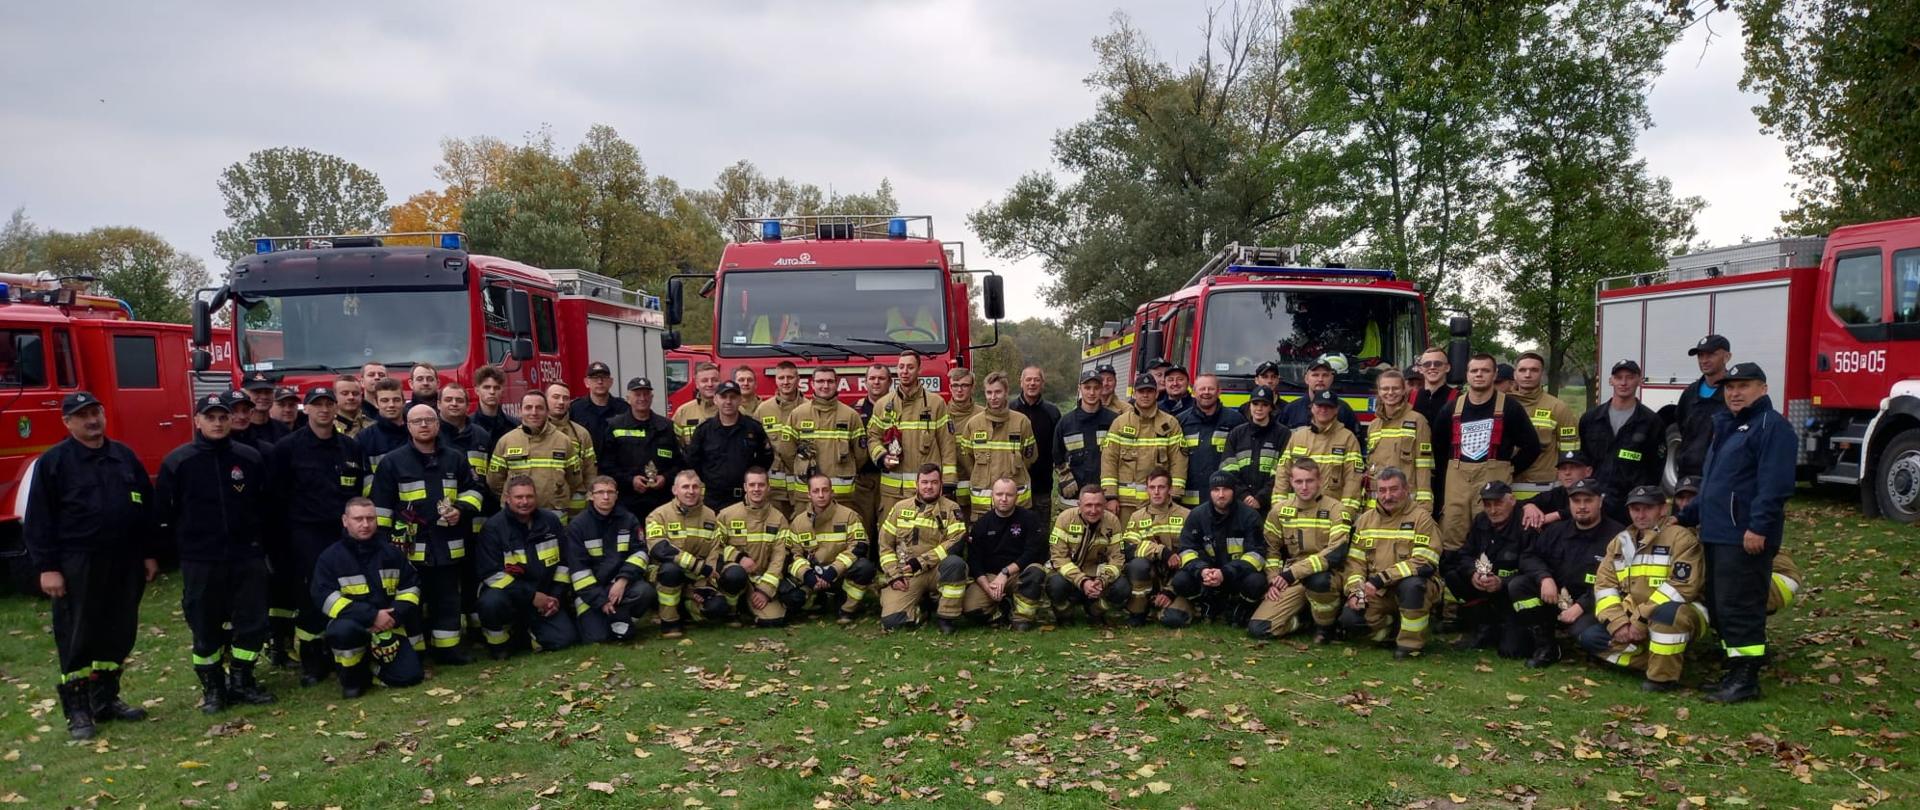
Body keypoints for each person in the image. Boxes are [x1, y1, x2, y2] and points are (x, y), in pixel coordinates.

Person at [24, 391, 159, 739]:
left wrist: (148, 553)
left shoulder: (123, 457)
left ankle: (106, 700)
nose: (92, 420)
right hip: (77, 561)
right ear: (67, 422)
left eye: (95, 412)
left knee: (119, 631)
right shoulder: (54, 463)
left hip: (125, 559)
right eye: (82, 415)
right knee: (78, 634)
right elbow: (39, 520)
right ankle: (79, 711)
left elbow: (145, 507)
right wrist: (47, 567)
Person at [1675, 362, 1795, 703]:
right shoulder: (1728, 425)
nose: (1735, 392)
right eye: (1729, 387)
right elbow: (1714, 485)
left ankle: (1745, 680)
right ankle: (1735, 667)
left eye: (1744, 386)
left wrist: (1758, 527)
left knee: (1740, 604)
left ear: (1763, 388)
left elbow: (1775, 486)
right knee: (1721, 603)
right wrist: (1686, 516)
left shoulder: (1771, 427)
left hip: (1744, 536)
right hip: (1717, 533)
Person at [157, 392, 275, 713]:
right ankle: (213, 688)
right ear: (197, 421)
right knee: (205, 624)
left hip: (246, 555)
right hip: (201, 559)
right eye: (211, 417)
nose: (219, 422)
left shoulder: (249, 458)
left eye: (223, 417)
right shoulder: (178, 462)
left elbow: (265, 505)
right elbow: (164, 513)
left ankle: (242, 680)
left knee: (252, 622)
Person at [266, 386, 371, 687]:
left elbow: (359, 492)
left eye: (329, 404)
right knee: (312, 595)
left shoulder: (350, 448)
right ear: (306, 409)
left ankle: (346, 652)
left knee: (347, 590)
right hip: (305, 534)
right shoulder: (287, 448)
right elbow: (276, 497)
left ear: (336, 408)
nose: (324, 410)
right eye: (317, 405)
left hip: (343, 535)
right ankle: (313, 661)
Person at [370, 403, 485, 666]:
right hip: (409, 548)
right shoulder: (392, 462)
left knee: (447, 599)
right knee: (412, 602)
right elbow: (382, 509)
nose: (423, 425)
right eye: (417, 421)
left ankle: (449, 650)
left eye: (428, 420)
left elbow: (474, 491)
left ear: (437, 424)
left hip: (447, 544)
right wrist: (386, 548)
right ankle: (416, 652)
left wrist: (461, 509)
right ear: (408, 427)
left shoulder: (455, 458)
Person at [1580, 485, 1706, 692]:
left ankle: (1661, 679)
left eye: (1647, 508)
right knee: (1591, 638)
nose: (1640, 514)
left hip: (1681, 612)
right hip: (1631, 618)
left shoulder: (1681, 538)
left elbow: (1682, 587)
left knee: (1667, 615)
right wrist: (1618, 623)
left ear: (1662, 509)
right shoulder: (1620, 542)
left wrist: (1640, 619)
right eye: (1635, 509)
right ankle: (1660, 661)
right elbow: (1604, 587)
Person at [313, 498, 425, 698]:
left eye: (370, 518)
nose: (365, 524)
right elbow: (326, 598)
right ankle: (353, 677)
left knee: (410, 677)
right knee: (343, 631)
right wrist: (372, 616)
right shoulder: (330, 558)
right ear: (345, 521)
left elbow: (411, 587)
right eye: (358, 519)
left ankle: (372, 668)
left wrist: (393, 617)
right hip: (352, 627)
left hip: (389, 626)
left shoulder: (392, 553)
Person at [1431, 354, 1542, 552]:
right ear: (1467, 375)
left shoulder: (1510, 407)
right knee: (1452, 532)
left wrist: (1509, 469)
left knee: (1493, 531)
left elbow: (1532, 446)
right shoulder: (1451, 408)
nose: (1479, 374)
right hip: (1457, 483)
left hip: (1493, 482)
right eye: (1474, 370)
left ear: (1494, 374)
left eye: (1485, 370)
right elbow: (1438, 448)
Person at [1512, 478, 1624, 669]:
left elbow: (1619, 583)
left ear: (1600, 502)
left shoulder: (1617, 537)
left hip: (1593, 605)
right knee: (1519, 585)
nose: (1581, 506)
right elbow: (1528, 556)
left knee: (1583, 632)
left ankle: (1594, 651)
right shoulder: (1556, 531)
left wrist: (1581, 605)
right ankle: (1546, 645)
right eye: (1576, 501)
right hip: (1555, 598)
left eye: (1588, 501)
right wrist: (1544, 577)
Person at [1340, 468, 1443, 658]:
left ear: (1406, 489)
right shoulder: (1365, 520)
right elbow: (1355, 563)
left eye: (1393, 489)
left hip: (1414, 587)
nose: (1387, 496)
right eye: (1382, 490)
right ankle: (1391, 630)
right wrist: (1356, 591)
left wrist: (1380, 579)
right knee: (1350, 620)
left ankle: (1410, 645)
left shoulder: (1422, 519)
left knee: (1413, 585)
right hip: (1377, 592)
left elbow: (1424, 563)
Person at [475, 476, 579, 657]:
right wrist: (532, 596)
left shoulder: (551, 522)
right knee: (491, 602)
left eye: (529, 496)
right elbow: (491, 574)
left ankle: (523, 635)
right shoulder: (493, 528)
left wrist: (554, 597)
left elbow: (563, 564)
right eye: (519, 497)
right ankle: (499, 646)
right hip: (509, 596)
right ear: (507, 498)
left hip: (545, 596)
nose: (525, 502)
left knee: (564, 640)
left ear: (536, 497)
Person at [1253, 459, 1351, 642]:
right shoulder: (1280, 510)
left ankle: (1326, 627)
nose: (1304, 487)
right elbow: (1270, 548)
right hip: (1293, 578)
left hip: (1328, 574)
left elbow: (1335, 553)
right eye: (1299, 482)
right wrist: (1273, 577)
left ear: (1320, 480)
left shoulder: (1336, 509)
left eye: (1309, 481)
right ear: (1291, 482)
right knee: (1260, 628)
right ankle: (1304, 621)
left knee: (1319, 580)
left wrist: (1290, 574)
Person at [1163, 472, 1268, 628]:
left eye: (1225, 489)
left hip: (1236, 577)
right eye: (1216, 489)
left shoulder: (1249, 516)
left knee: (1256, 582)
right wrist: (1202, 571)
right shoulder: (1197, 515)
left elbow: (1256, 555)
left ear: (1233, 491)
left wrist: (1225, 573)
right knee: (1180, 581)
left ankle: (1240, 607)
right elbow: (1186, 550)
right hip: (1206, 578)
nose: (1221, 494)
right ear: (1210, 492)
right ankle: (1205, 604)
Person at [632, 471, 725, 638]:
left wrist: (706, 585)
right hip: (663, 576)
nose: (690, 491)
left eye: (695, 487)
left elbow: (715, 551)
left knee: (718, 608)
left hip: (696, 579)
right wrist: (697, 566)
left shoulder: (711, 516)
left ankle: (685, 609)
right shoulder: (658, 515)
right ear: (675, 490)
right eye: (685, 487)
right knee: (670, 570)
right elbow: (659, 548)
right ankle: (669, 621)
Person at [876, 464, 968, 633]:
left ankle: (946, 617)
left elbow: (956, 541)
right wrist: (894, 575)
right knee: (893, 622)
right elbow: (885, 545)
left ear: (941, 484)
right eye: (924, 482)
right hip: (907, 574)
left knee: (955, 564)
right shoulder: (899, 508)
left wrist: (921, 562)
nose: (929, 487)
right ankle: (922, 608)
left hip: (937, 571)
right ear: (916, 484)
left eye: (934, 482)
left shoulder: (951, 508)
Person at [564, 476, 655, 643]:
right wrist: (601, 601)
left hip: (620, 586)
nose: (606, 497)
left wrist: (622, 580)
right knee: (597, 637)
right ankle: (613, 620)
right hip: (590, 592)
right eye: (600, 492)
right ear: (591, 496)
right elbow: (578, 571)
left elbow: (640, 553)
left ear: (617, 495)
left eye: (610, 492)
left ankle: (622, 619)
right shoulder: (578, 526)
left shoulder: (629, 520)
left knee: (645, 592)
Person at [1446, 481, 1531, 657]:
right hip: (1484, 587)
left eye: (1498, 503)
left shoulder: (1526, 524)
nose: (1492, 510)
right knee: (1452, 570)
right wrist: (1473, 574)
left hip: (1512, 593)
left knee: (1511, 651)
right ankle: (1483, 627)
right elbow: (1465, 554)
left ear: (1512, 500)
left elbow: (1533, 569)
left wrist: (1503, 582)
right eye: (1487, 505)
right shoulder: (1481, 521)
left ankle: (1517, 629)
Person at [868, 351, 958, 507]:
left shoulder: (936, 403)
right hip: (892, 493)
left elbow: (947, 444)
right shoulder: (883, 404)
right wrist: (882, 457)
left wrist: (949, 481)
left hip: (926, 492)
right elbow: (873, 437)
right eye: (901, 367)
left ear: (919, 370)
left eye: (910, 367)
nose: (904, 371)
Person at [1579, 360, 1664, 523]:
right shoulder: (1590, 418)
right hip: (1594, 501)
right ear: (1611, 381)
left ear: (1639, 380)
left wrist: (1642, 500)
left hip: (1630, 505)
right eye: (1618, 378)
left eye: (1630, 377)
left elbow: (1656, 468)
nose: (1624, 383)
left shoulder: (1651, 422)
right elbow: (1583, 459)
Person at [787, 471, 877, 623]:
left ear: (832, 492)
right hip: (813, 576)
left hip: (840, 574)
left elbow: (860, 546)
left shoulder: (849, 516)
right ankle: (816, 601)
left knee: (865, 568)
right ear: (808, 494)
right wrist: (807, 575)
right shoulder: (798, 522)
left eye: (825, 490)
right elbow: (791, 555)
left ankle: (846, 608)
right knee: (791, 599)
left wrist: (834, 570)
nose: (821, 495)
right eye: (816, 491)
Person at [712, 469, 799, 627]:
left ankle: (749, 606)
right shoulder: (726, 515)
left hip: (761, 579)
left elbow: (780, 558)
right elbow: (715, 547)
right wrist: (738, 557)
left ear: (768, 488)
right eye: (752, 485)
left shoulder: (778, 519)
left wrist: (765, 590)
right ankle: (732, 610)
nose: (756, 489)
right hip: (734, 574)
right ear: (745, 487)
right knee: (735, 574)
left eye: (761, 485)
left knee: (774, 621)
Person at [961, 477, 1049, 630]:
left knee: (1036, 572)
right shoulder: (982, 524)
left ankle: (1022, 617)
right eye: (999, 494)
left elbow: (1033, 553)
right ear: (992, 496)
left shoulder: (1030, 519)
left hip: (1019, 574)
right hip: (991, 578)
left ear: (1017, 497)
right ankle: (1003, 608)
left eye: (1009, 495)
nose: (1004, 499)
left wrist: (1006, 572)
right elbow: (974, 561)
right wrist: (987, 587)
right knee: (970, 609)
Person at [1102, 373, 1188, 523]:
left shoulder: (1170, 424)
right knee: (1127, 544)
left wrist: (1174, 495)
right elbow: (1109, 460)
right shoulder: (1120, 423)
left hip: (1159, 503)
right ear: (1134, 394)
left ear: (1156, 393)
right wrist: (1110, 496)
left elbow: (1178, 461)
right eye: (1141, 391)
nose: (1145, 395)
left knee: (1156, 544)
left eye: (1149, 391)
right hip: (1125, 504)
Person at [600, 376, 686, 522]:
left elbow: (679, 463)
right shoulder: (615, 426)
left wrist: (665, 478)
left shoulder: (666, 426)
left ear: (651, 397)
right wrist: (630, 480)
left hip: (660, 501)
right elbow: (606, 465)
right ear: (628, 398)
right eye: (637, 394)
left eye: (646, 394)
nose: (642, 398)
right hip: (626, 502)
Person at [778, 367, 864, 511]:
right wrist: (802, 467)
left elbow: (861, 455)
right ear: (812, 384)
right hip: (806, 495)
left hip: (842, 496)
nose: (825, 386)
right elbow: (787, 452)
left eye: (830, 381)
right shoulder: (798, 414)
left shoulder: (851, 415)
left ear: (836, 383)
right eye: (820, 381)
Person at [488, 392, 587, 514]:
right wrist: (515, 498)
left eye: (539, 408)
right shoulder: (506, 441)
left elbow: (574, 480)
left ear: (547, 412)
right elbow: (494, 482)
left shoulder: (563, 441)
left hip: (554, 515)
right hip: (516, 516)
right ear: (520, 411)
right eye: (528, 407)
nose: (534, 412)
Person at [1046, 484, 1128, 626]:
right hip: (1070, 575)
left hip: (1097, 575)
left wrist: (1103, 580)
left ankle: (1095, 611)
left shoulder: (1113, 521)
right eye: (1088, 505)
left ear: (1104, 505)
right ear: (1079, 505)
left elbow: (1117, 558)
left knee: (1122, 587)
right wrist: (1082, 581)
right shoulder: (1065, 518)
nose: (1093, 510)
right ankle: (1064, 614)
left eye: (1098, 505)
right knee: (1055, 585)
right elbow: (1058, 557)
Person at [1274, 389, 1366, 515]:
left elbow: (1353, 480)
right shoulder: (1298, 437)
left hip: (1331, 514)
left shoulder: (1347, 438)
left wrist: (1345, 514)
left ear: (1336, 410)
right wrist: (1278, 508)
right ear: (1312, 407)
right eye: (1320, 405)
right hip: (1297, 512)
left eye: (1329, 406)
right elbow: (1283, 473)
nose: (1323, 410)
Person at [958, 371, 1038, 513]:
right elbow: (966, 458)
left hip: (1016, 503)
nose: (993, 397)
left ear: (1006, 392)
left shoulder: (1021, 422)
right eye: (989, 393)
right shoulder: (974, 424)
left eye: (998, 392)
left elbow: (1030, 456)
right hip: (983, 504)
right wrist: (980, 474)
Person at [688, 381, 775, 511]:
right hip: (713, 500)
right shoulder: (704, 431)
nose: (728, 402)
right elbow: (693, 461)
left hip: (745, 498)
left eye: (733, 397)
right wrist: (711, 479)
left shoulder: (753, 428)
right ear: (715, 399)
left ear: (740, 400)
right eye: (723, 397)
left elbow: (766, 458)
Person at [1119, 470, 1187, 626]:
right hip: (1151, 576)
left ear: (1170, 489)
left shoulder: (1186, 516)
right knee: (1138, 565)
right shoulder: (1137, 517)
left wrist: (1170, 590)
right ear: (1147, 489)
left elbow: (1190, 556)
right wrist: (1161, 551)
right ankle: (1138, 611)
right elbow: (1129, 548)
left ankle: (1169, 604)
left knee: (1173, 620)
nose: (1156, 492)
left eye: (1161, 487)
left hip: (1176, 579)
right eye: (1152, 487)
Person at [1509, 352, 1580, 497]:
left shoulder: (1557, 407)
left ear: (1542, 374)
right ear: (1515, 374)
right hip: (1506, 483)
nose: (1528, 375)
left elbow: (1570, 451)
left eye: (1534, 370)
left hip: (1543, 487)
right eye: (1522, 370)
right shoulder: (1502, 404)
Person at [1367, 370, 1434, 507]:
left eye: (1395, 388)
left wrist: (1424, 504)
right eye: (1385, 388)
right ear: (1379, 392)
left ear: (1404, 390)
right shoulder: (1373, 426)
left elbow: (1424, 465)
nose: (1390, 392)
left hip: (1406, 502)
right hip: (1377, 504)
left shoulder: (1418, 421)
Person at [1178, 373, 1244, 508]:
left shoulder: (1236, 421)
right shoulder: (1180, 422)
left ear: (1219, 391)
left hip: (1224, 499)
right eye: (1202, 389)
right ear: (1193, 392)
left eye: (1211, 389)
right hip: (1189, 501)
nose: (1206, 392)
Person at [1054, 370, 1117, 511]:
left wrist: (1112, 495)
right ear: (1079, 389)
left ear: (1102, 389)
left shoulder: (1114, 421)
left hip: (1104, 495)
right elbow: (1057, 455)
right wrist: (1065, 477)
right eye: (1087, 388)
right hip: (1074, 496)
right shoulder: (1066, 423)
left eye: (1096, 388)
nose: (1092, 392)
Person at [1221, 385, 1290, 512]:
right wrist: (1244, 496)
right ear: (1250, 406)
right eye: (1255, 404)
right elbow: (1228, 469)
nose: (1259, 408)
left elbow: (1283, 471)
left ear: (1271, 408)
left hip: (1270, 506)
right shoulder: (1236, 433)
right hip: (1239, 505)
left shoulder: (1284, 434)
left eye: (1264, 404)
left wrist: (1260, 499)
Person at [1674, 335, 1732, 480]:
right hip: (1687, 476)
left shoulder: (1733, 395)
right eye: (1700, 355)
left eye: (1711, 355)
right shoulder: (1690, 393)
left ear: (1727, 357)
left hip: (1719, 476)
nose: (1704, 360)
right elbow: (1682, 427)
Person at [753, 361, 807, 516]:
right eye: (781, 378)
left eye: (790, 377)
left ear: (798, 379)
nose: (786, 382)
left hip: (801, 487)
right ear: (775, 380)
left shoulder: (809, 408)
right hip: (774, 489)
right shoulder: (763, 409)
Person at [1010, 366, 1061, 509]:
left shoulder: (1052, 412)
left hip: (1042, 485)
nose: (1032, 383)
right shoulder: (1009, 410)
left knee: (1040, 530)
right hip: (1013, 485)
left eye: (1037, 380)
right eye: (1028, 379)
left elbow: (1058, 448)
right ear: (1021, 382)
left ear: (1042, 384)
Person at [1278, 356, 1363, 440]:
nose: (1320, 379)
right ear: (1306, 379)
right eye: (1315, 375)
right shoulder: (1291, 410)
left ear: (1332, 379)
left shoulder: (1343, 410)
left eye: (1325, 375)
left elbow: (1357, 442)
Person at [852, 364, 894, 531]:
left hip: (892, 478)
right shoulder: (854, 411)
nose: (876, 382)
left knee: (889, 528)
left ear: (890, 382)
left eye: (881, 378)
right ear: (866, 382)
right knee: (864, 526)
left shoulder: (899, 407)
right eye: (872, 378)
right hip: (864, 479)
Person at [545, 383, 600, 500]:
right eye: (556, 397)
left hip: (575, 507)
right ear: (545, 400)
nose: (561, 402)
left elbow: (590, 470)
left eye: (565, 398)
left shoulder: (581, 434)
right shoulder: (533, 432)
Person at [1519, 450, 1593, 531]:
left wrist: (1557, 515)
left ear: (1588, 471)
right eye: (1563, 468)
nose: (1567, 473)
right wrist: (1529, 506)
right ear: (1558, 474)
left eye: (1573, 468)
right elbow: (1519, 504)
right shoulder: (1556, 493)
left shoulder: (1596, 492)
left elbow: (1597, 508)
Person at [356, 378, 412, 471]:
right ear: (376, 403)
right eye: (385, 400)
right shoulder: (364, 438)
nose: (391, 405)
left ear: (403, 402)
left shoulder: (417, 432)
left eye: (396, 400)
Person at [570, 361, 627, 437]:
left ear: (611, 382)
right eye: (595, 378)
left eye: (604, 377)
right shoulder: (575, 409)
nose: (600, 382)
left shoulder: (623, 409)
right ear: (586, 382)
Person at [673, 361, 722, 446]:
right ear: (696, 384)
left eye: (714, 380)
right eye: (704, 381)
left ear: (720, 382)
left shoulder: (734, 409)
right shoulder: (683, 412)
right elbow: (673, 443)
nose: (710, 384)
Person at [471, 365, 520, 441]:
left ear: (502, 391)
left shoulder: (514, 426)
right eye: (487, 387)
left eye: (496, 388)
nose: (492, 392)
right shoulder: (467, 426)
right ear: (477, 390)